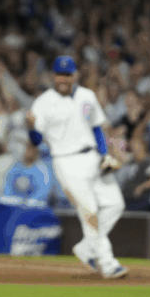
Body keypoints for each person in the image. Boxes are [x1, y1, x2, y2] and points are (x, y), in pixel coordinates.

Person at [26, 55, 128, 280]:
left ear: (75, 75)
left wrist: (104, 155)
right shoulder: (43, 102)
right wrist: (31, 127)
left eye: (68, 74)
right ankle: (107, 263)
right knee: (89, 210)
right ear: (54, 76)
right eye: (60, 74)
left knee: (115, 205)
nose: (64, 78)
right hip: (65, 161)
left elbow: (97, 129)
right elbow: (35, 140)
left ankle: (86, 248)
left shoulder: (87, 96)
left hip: (92, 156)